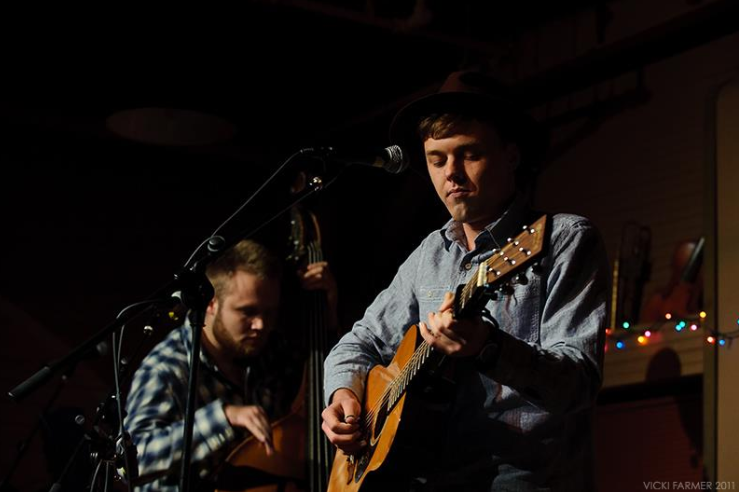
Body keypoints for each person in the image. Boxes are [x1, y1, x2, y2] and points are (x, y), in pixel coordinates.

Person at [322, 70, 609, 491]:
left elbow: (579, 383)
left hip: (530, 477)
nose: (451, 174)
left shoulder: (562, 239)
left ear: (511, 156)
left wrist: (489, 347)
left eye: (469, 154)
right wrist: (343, 395)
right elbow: (358, 342)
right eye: (437, 160)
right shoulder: (430, 254)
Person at [124, 239, 337, 491]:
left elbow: (321, 381)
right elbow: (132, 462)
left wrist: (327, 311)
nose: (260, 325)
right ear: (210, 304)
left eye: (269, 312)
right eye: (247, 312)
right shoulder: (165, 368)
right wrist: (224, 416)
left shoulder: (271, 350)